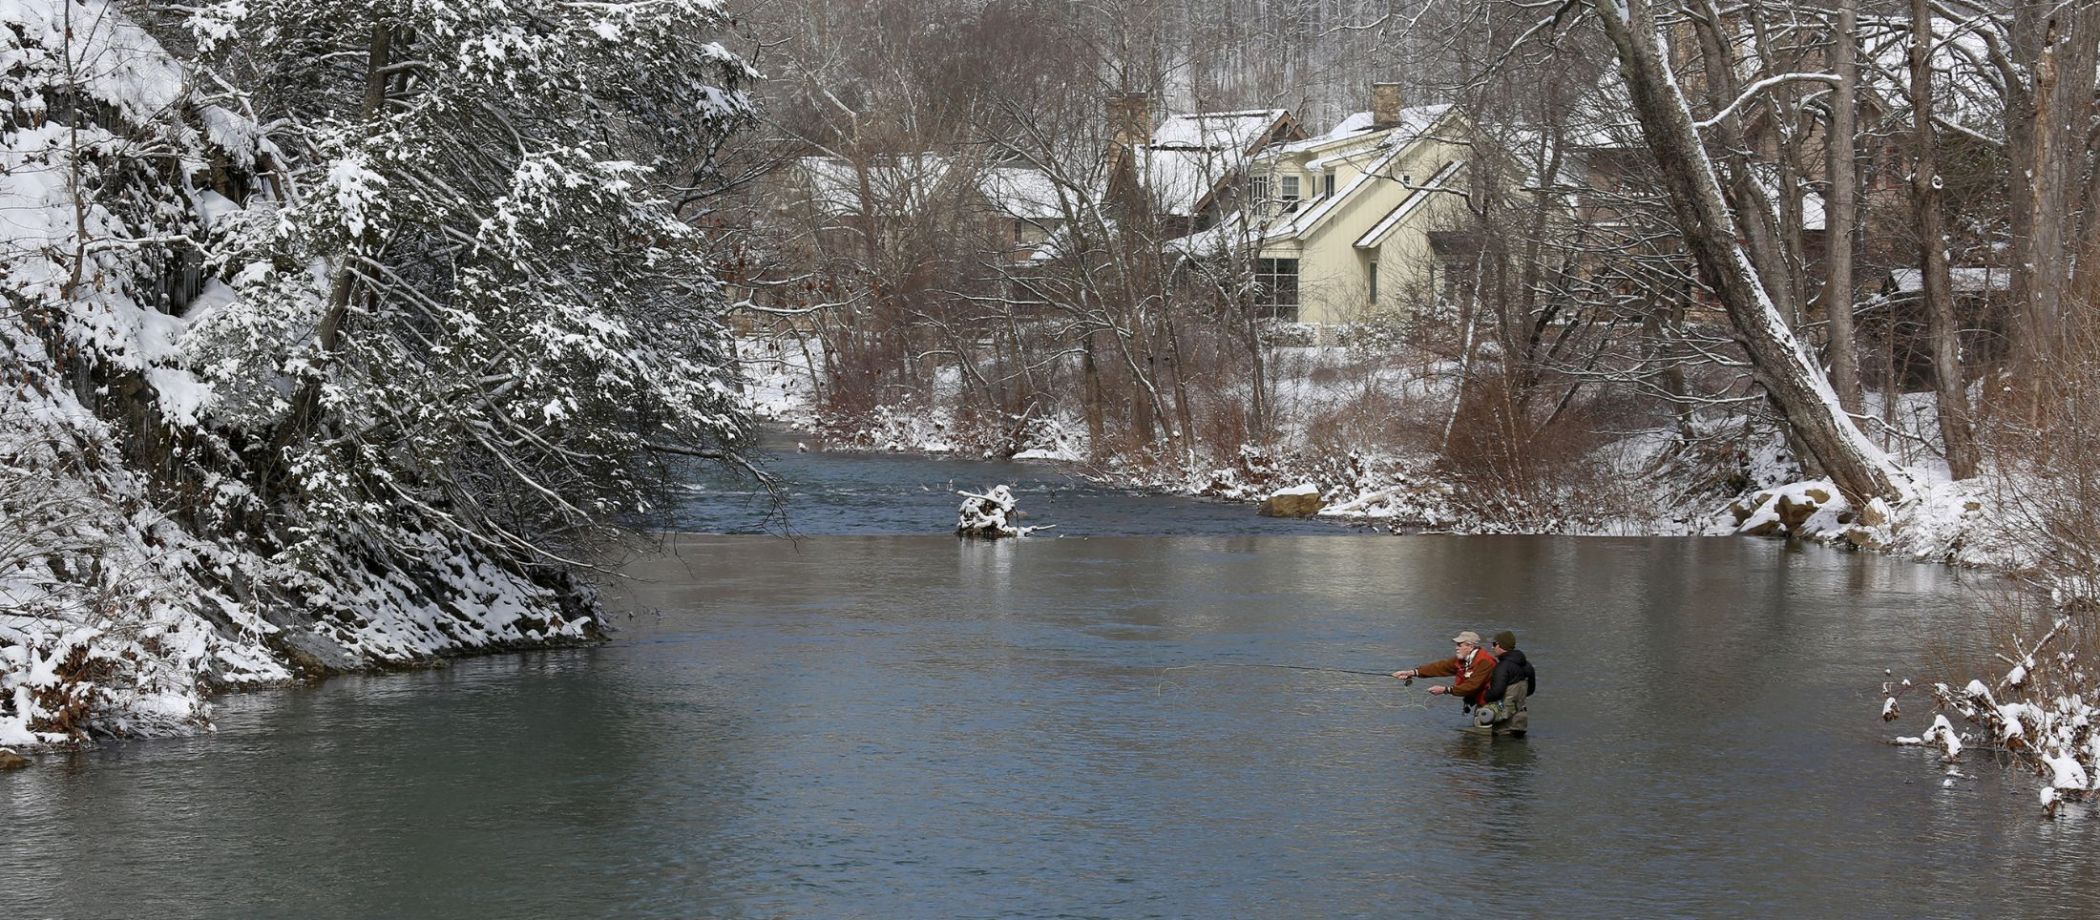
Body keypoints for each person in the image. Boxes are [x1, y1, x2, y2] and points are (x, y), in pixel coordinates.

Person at [1392, 631, 1498, 729]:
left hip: (1492, 705)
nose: (1456, 648)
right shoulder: (1463, 660)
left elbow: (1471, 686)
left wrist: (1445, 690)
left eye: (1459, 645)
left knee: (1482, 739)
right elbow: (1440, 667)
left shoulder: (1485, 661)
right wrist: (1412, 672)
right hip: (1481, 704)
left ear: (1470, 646)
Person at [1479, 630, 1535, 736]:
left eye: (1494, 644)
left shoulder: (1502, 667)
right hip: (1521, 723)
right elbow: (1530, 690)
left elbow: (1496, 692)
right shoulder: (1528, 665)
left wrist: (1484, 696)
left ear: (1500, 645)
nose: (1492, 647)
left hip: (1504, 725)